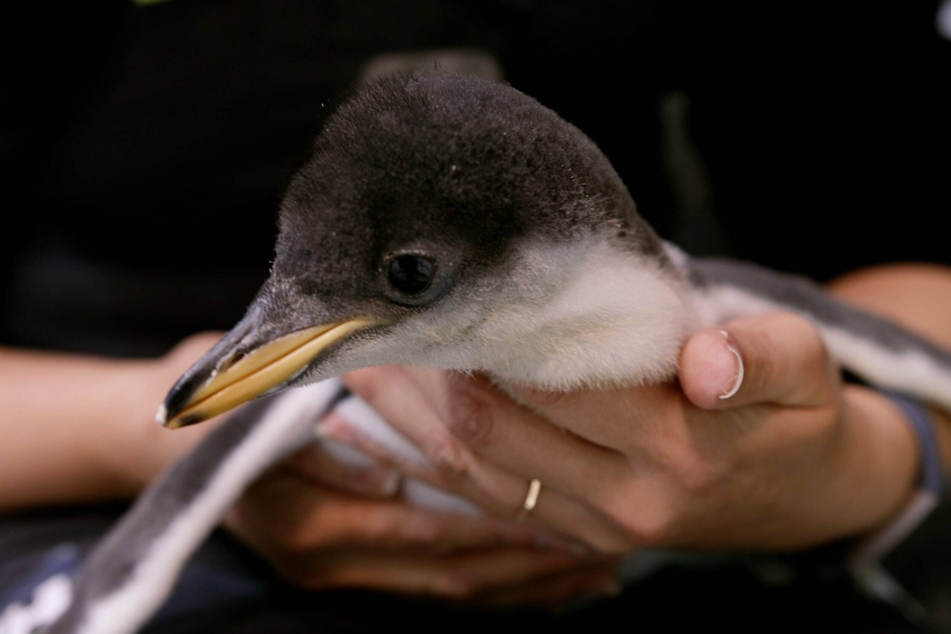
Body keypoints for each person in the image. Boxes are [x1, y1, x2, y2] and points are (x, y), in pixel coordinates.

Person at [2, 1, 949, 631]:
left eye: (409, 276)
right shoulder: (358, 355)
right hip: (99, 501)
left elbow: (902, 246)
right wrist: (136, 428)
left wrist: (852, 469)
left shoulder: (670, 293)